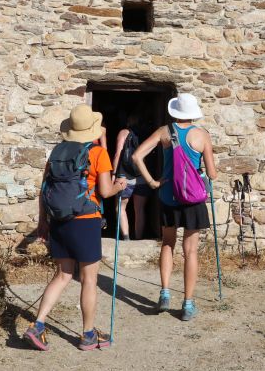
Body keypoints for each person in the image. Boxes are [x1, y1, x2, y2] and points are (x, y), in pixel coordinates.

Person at [23, 104, 127, 351]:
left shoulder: (57, 152)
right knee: (89, 279)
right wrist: (119, 186)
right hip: (86, 220)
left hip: (59, 220)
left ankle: (37, 325)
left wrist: (42, 221)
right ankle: (88, 334)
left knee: (63, 275)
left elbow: (44, 189)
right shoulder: (98, 153)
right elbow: (104, 191)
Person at [131, 93, 217, 321]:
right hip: (193, 200)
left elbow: (137, 156)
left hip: (168, 196)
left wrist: (152, 182)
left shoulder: (164, 132)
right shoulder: (202, 136)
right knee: (190, 252)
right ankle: (188, 304)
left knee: (168, 243)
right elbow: (212, 173)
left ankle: (165, 293)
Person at [111, 111, 151, 240]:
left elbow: (118, 154)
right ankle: (139, 238)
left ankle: (126, 237)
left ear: (128, 122)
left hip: (124, 174)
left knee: (121, 207)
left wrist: (113, 173)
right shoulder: (146, 134)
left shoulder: (123, 132)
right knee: (139, 209)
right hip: (142, 174)